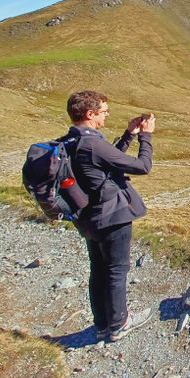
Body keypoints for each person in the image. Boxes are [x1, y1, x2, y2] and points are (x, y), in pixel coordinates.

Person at [65, 90, 155, 342]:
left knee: (98, 270)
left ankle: (102, 324)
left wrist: (129, 135)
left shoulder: (72, 140)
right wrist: (146, 137)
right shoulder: (92, 142)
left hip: (88, 217)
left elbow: (106, 161)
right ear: (90, 114)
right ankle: (119, 324)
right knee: (116, 270)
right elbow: (142, 166)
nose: (107, 115)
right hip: (112, 215)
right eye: (104, 111)